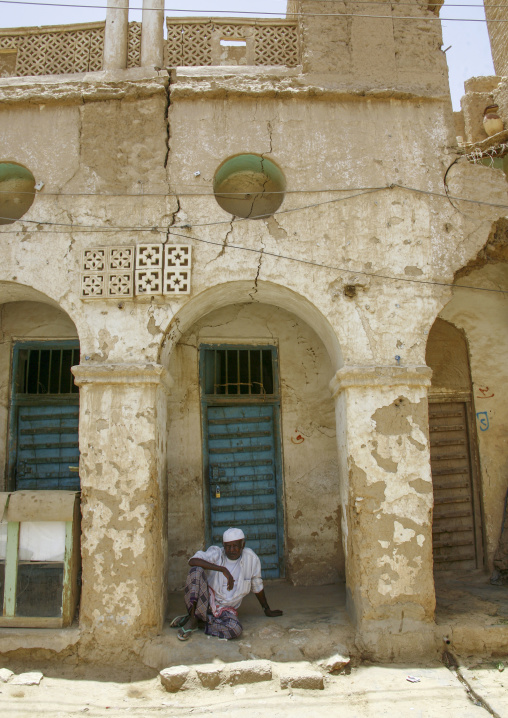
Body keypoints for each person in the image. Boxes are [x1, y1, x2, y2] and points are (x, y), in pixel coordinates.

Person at [175, 527, 283, 641]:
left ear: (243, 544)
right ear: (223, 545)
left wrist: (267, 609)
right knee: (196, 570)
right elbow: (193, 561)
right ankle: (193, 618)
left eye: (235, 546)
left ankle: (201, 622)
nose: (231, 550)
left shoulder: (251, 559)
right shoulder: (217, 553)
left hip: (225, 609)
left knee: (235, 629)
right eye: (228, 546)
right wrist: (222, 569)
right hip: (205, 602)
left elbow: (257, 585)